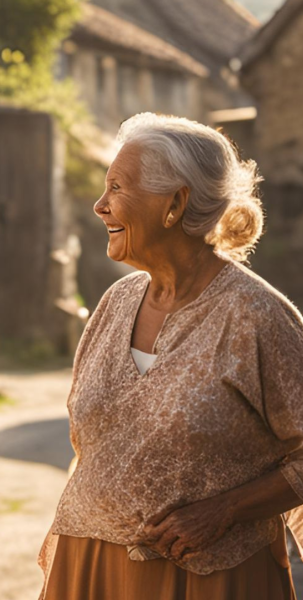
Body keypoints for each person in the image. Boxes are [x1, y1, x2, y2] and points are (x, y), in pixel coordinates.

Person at [40, 112, 303, 600]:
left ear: (175, 204)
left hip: (207, 577)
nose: (100, 206)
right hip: (90, 568)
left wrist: (226, 509)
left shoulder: (255, 317)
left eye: (117, 188)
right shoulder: (116, 303)